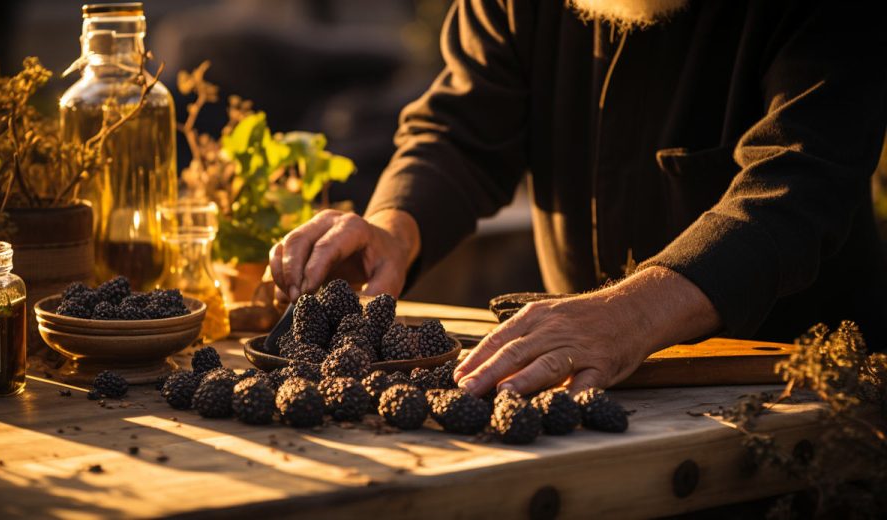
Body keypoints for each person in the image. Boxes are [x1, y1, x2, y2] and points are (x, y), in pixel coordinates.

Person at [268, 0, 887, 396]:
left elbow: (798, 185)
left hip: (794, 393)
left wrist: (628, 314)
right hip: (580, 388)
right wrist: (394, 230)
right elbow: (460, 130)